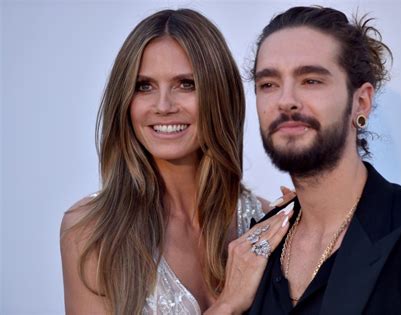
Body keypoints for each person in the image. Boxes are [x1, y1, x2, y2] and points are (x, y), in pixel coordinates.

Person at [60, 9, 294, 314]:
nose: (163, 106)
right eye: (144, 86)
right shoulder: (92, 232)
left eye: (186, 84)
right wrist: (227, 305)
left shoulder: (263, 221)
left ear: (219, 94)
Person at [245, 5, 401, 314]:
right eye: (268, 84)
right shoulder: (254, 246)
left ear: (361, 102)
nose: (285, 100)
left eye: (311, 80)